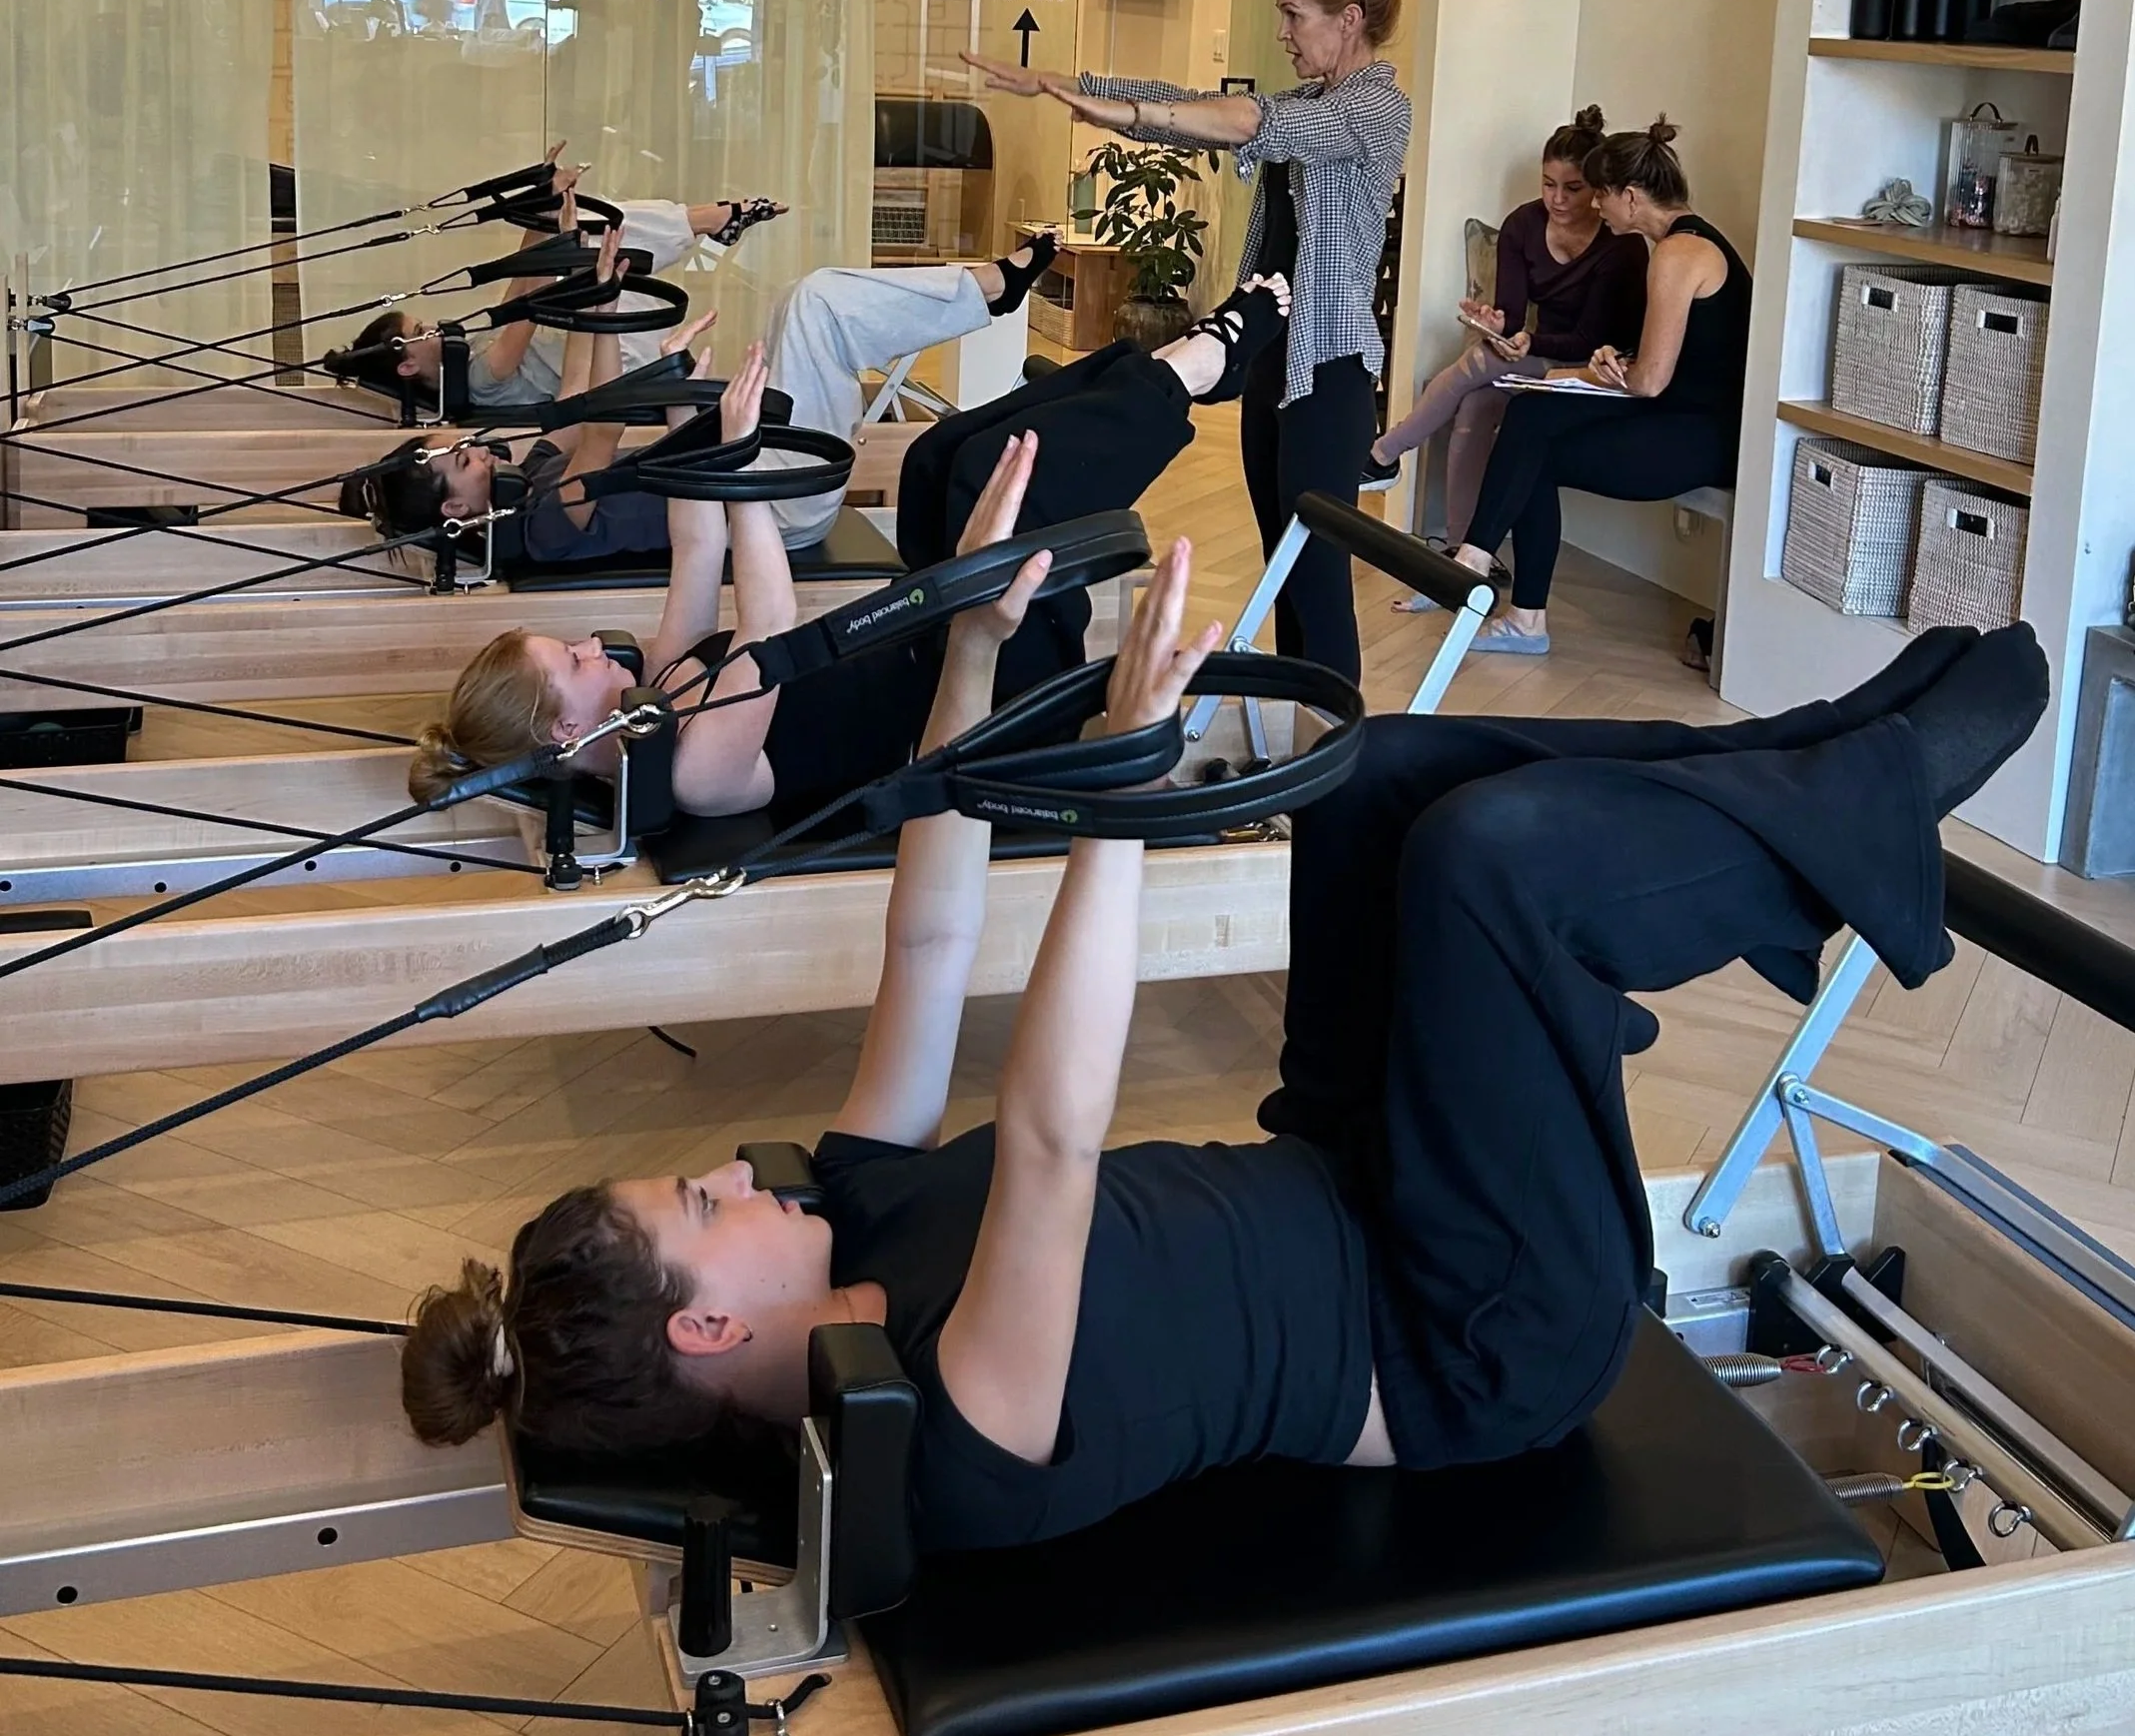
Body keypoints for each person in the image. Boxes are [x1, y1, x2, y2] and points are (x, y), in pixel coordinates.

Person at [399, 563, 2047, 1550]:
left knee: (1378, 779)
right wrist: (1118, 784)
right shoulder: (938, 1419)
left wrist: (964, 643)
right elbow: (1048, 1131)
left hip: (1339, 1160)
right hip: (1476, 1324)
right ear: (707, 1318)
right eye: (704, 1196)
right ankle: (1871, 799)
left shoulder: (839, 1209)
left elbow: (923, 947)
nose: (735, 1166)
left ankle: (1801, 757)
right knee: (1498, 866)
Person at [406, 273, 1293, 825]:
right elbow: (773, 620)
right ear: (566, 728)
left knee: (936, 462)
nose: (593, 643)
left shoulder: (660, 688)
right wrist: (743, 454)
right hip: (992, 691)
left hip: (940, 628)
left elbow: (694, 542)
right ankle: (1190, 370)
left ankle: (1163, 367)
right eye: (572, 658)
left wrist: (690, 413)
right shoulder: (696, 772)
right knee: (992, 472)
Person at [962, 0, 1416, 686]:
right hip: (1274, 356)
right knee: (1280, 560)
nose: (1282, 33)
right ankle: (1295, 743)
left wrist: (1129, 118)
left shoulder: (1375, 109)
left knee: (1315, 579)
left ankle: (1338, 758)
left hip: (1328, 370)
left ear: (1348, 19)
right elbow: (1192, 103)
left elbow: (1248, 122)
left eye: (1294, 15)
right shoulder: (1312, 96)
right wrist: (1064, 87)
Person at [350, 235, 1068, 565]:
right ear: (453, 511)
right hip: (776, 509)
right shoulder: (542, 525)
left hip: (742, 468)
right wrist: (657, 367)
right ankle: (990, 290)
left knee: (799, 302)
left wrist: (602, 306)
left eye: (457, 445)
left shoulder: (521, 484)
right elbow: (597, 429)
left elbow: (575, 396)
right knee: (820, 306)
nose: (468, 446)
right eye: (457, 460)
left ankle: (987, 293)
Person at [1450, 119, 1752, 658]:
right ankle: (1480, 566)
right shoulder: (1686, 243)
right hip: (1678, 413)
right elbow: (1664, 363)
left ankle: (1498, 590)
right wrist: (1614, 360)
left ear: (1631, 197)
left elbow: (1650, 382)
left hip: (1700, 437)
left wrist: (1588, 373)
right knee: (1528, 417)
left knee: (1532, 443)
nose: (1595, 208)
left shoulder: (1678, 256)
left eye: (1602, 196)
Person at [1364, 106, 1647, 586]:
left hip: (1592, 368)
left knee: (1480, 364)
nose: (1556, 199)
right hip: (1538, 355)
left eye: (1572, 188)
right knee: (1475, 401)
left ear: (1599, 190)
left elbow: (1587, 338)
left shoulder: (1620, 245)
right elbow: (1512, 316)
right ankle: (1463, 553)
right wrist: (1498, 324)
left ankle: (1382, 453)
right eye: (1547, 184)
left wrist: (1523, 341)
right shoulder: (1523, 224)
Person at [324, 170, 787, 421]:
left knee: (581, 227)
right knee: (582, 239)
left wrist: (539, 216)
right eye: (420, 333)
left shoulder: (469, 359)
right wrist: (558, 241)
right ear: (408, 365)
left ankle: (713, 219)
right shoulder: (479, 377)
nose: (433, 329)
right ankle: (712, 219)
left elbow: (518, 286)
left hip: (600, 336)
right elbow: (528, 305)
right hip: (615, 360)